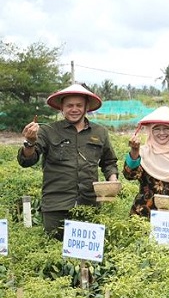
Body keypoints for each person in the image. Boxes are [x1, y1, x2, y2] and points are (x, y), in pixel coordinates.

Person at [17, 83, 118, 238]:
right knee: (54, 254)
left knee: (88, 256)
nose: (74, 109)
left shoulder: (100, 132)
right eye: (69, 105)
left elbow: (108, 162)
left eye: (79, 105)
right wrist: (30, 143)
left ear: (86, 107)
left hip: (89, 204)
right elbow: (27, 160)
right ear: (61, 108)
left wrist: (112, 181)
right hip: (56, 205)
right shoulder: (48, 131)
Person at [123, 106, 169, 217]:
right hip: (143, 214)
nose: (161, 133)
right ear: (150, 131)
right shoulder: (143, 152)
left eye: (167, 128)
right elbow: (129, 175)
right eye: (156, 129)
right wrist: (134, 151)